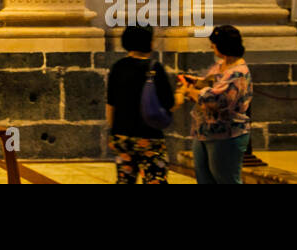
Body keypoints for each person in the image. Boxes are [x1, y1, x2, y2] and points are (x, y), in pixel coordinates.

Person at [179, 24, 252, 184]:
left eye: (214, 43)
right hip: (205, 131)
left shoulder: (238, 72)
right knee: (204, 179)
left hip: (226, 134)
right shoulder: (222, 64)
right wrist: (196, 82)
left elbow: (215, 99)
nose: (212, 46)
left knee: (225, 179)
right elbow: (213, 83)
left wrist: (188, 91)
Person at [106, 25, 179, 184]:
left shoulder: (118, 67)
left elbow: (111, 105)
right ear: (149, 42)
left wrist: (114, 133)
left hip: (122, 136)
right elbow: (170, 104)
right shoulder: (154, 68)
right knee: (155, 179)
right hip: (149, 137)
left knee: (125, 180)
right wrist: (183, 93)